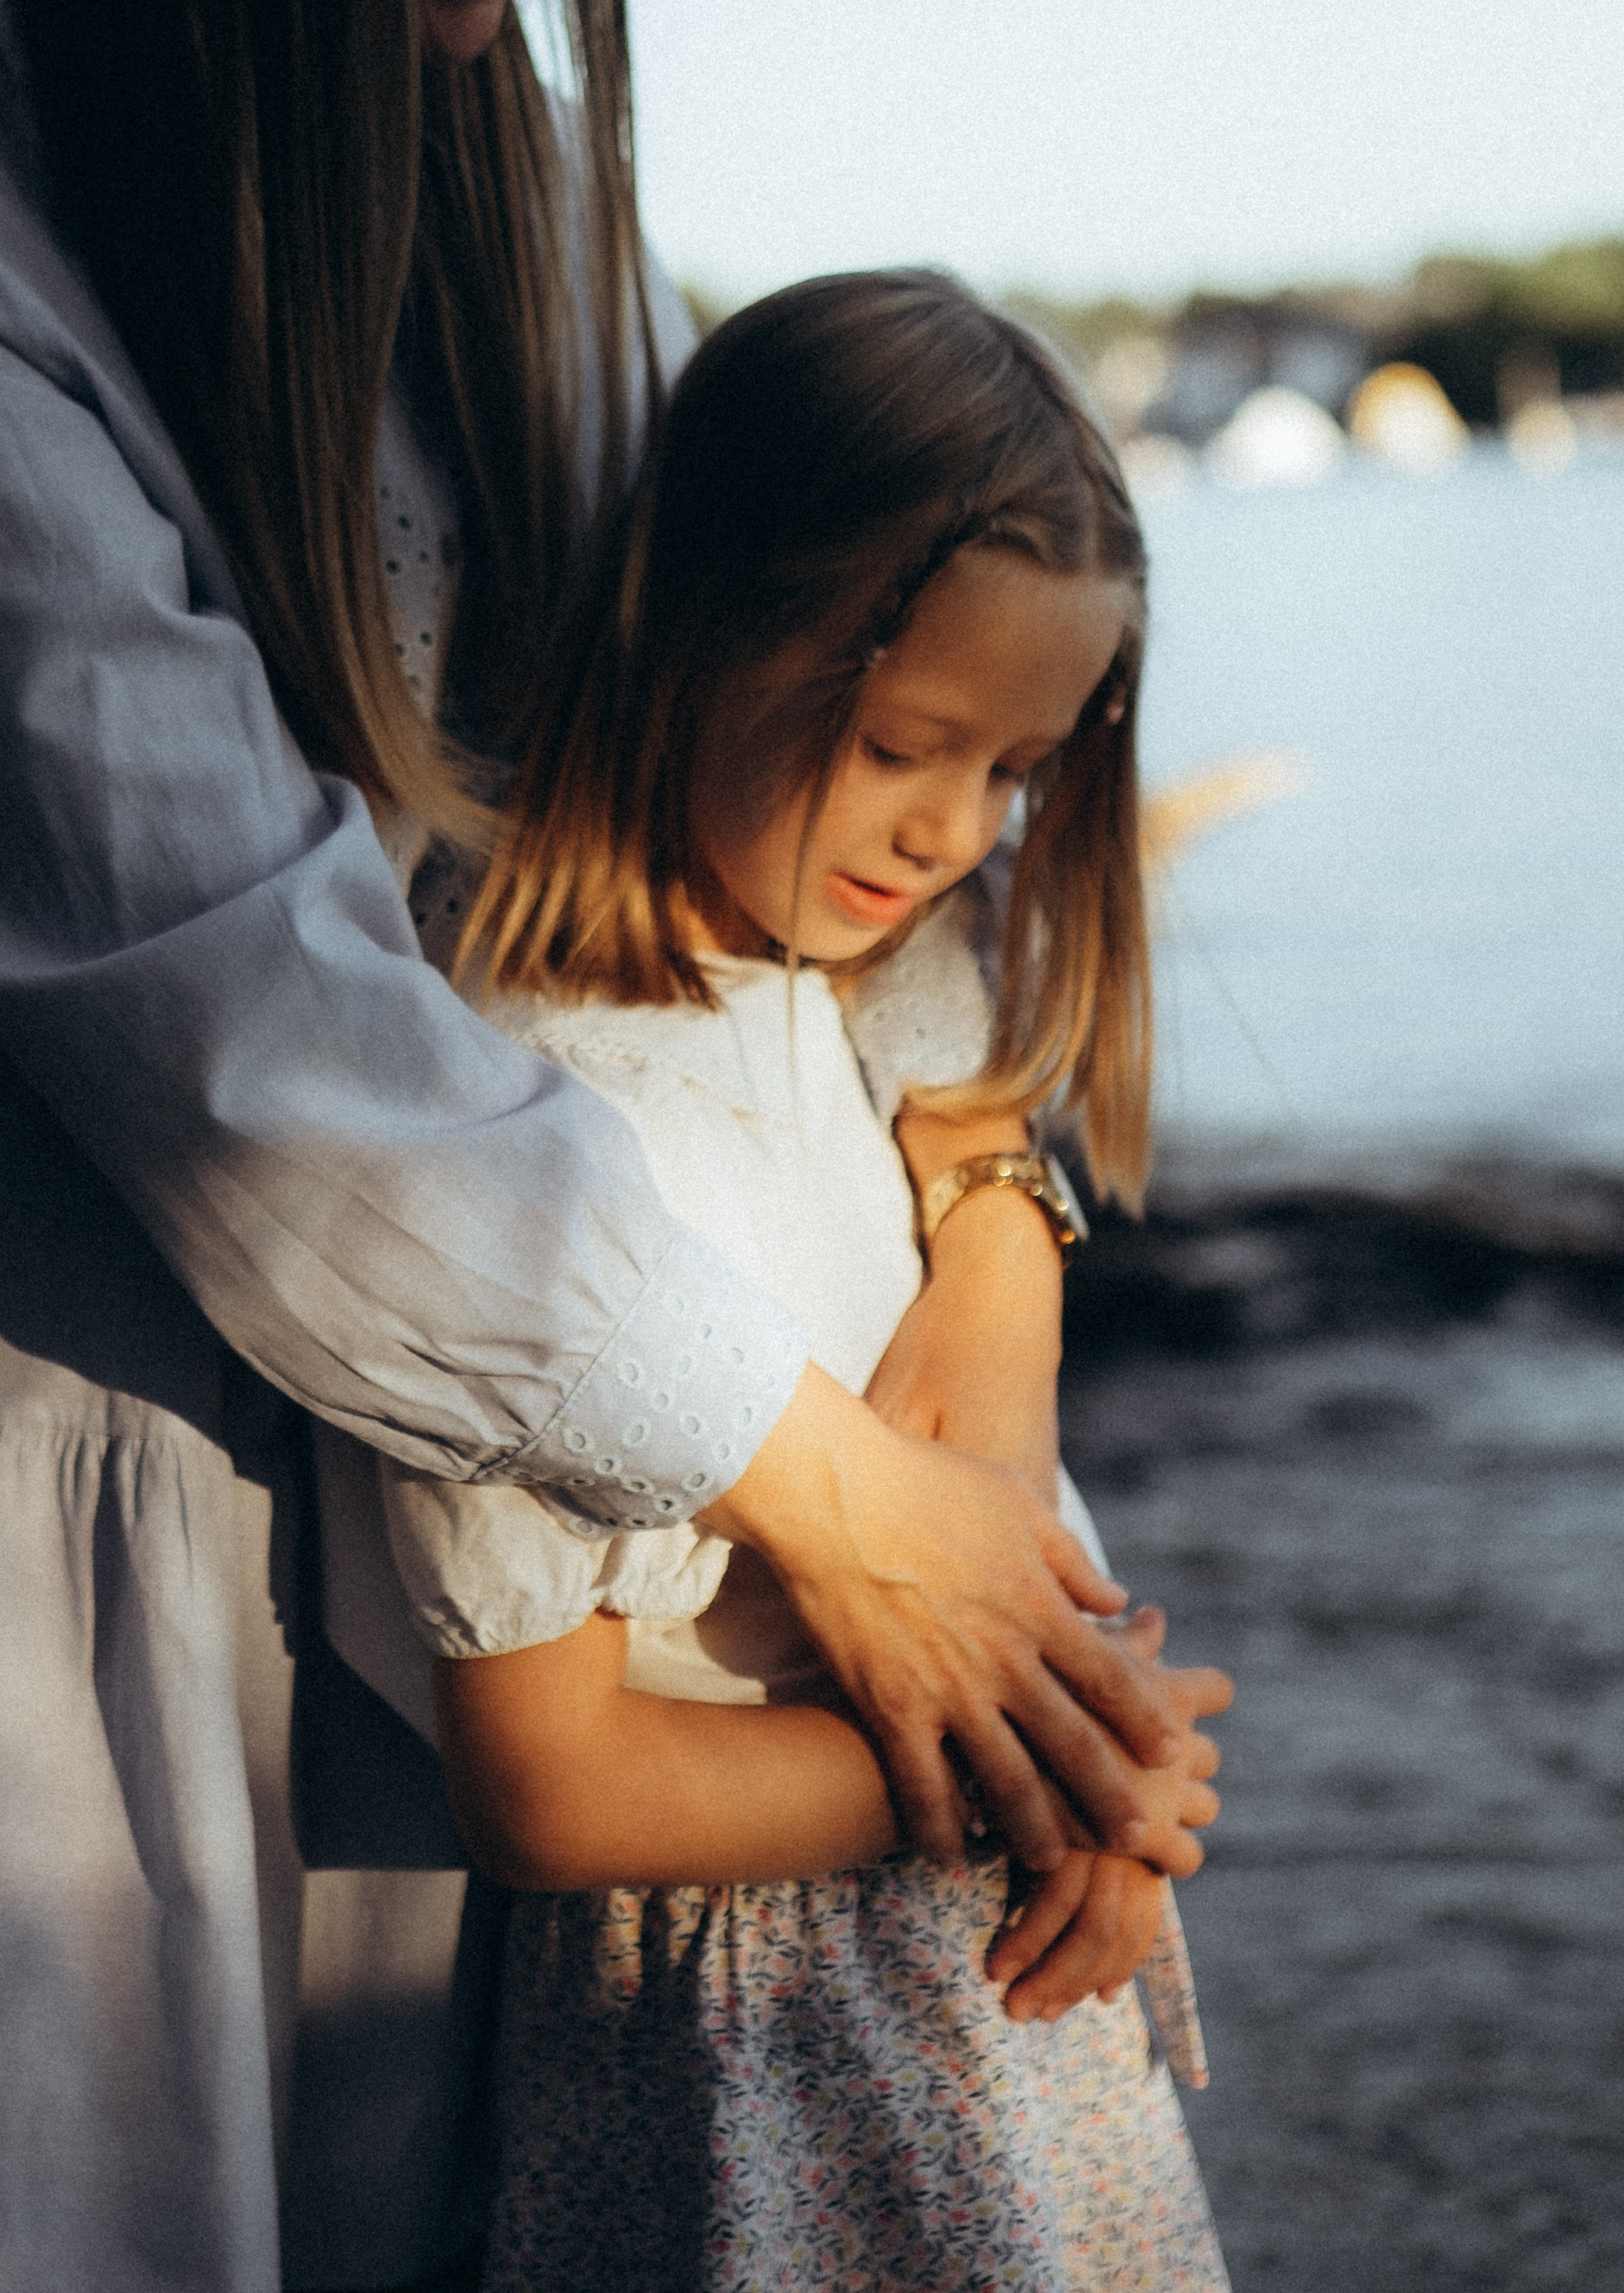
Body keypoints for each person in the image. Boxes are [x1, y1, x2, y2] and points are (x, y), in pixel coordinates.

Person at [0, 5, 1216, 2290]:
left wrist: (996, 1252)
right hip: (133, 1522)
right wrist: (1030, 1747)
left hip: (610, 1653)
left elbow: (836, 774)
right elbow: (251, 1025)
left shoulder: (513, 186)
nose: (502, 24)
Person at [343, 269, 1230, 2290]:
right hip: (760, 2050)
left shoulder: (850, 979)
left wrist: (1064, 1759)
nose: (948, 834)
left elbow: (976, 1155)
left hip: (986, 1973)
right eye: (906, 741)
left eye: (1011, 771)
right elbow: (554, 1791)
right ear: (697, 620)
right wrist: (1053, 1766)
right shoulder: (516, 1148)